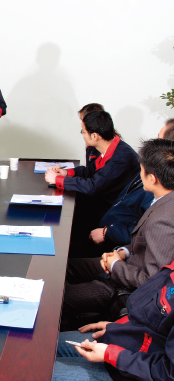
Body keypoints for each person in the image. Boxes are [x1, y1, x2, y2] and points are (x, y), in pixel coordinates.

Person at [62, 138, 174, 319]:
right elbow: (144, 243)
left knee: (52, 295)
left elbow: (152, 281)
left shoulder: (163, 220)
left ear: (152, 179)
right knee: (63, 267)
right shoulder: (163, 200)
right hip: (125, 263)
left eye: (142, 170)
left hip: (122, 286)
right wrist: (123, 253)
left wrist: (115, 265)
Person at [51, 261, 174, 381]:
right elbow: (152, 314)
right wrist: (120, 326)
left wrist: (111, 354)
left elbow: (169, 376)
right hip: (124, 344)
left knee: (35, 375)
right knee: (46, 346)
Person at [45, 110, 139, 239]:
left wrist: (58, 180)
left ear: (94, 136)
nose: (82, 135)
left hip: (112, 211)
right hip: (103, 200)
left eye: (83, 132)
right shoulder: (111, 148)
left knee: (66, 212)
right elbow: (91, 171)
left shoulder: (120, 158)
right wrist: (66, 172)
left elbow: (93, 187)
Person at [86, 120, 174, 252]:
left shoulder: (159, 190)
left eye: (158, 138)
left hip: (114, 243)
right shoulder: (151, 172)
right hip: (110, 230)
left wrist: (107, 234)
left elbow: (143, 234)